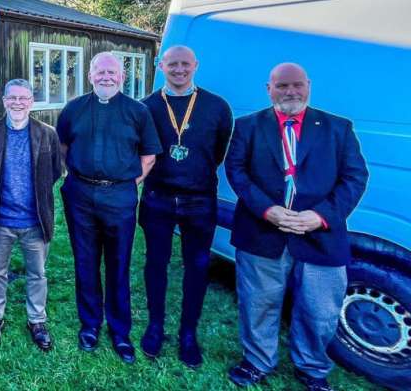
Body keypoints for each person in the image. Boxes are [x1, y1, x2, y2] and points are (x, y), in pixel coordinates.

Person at [225, 63, 368, 391]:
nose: (290, 92)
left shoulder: (337, 128)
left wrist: (321, 216)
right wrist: (266, 209)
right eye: (282, 86)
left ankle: (313, 368)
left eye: (296, 85)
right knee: (258, 304)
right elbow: (237, 172)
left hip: (320, 236)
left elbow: (355, 177)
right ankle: (258, 361)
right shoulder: (248, 126)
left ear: (308, 86)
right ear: (269, 88)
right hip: (263, 233)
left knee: (319, 310)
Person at [56, 52, 162, 364]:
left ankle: (120, 331)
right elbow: (62, 147)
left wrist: (129, 183)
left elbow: (149, 155)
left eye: (112, 72)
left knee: (118, 264)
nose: (106, 77)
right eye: (100, 72)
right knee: (85, 262)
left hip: (120, 198)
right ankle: (90, 325)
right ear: (90, 76)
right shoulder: (74, 108)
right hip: (80, 195)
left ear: (122, 77)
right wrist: (73, 175)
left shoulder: (137, 111)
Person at [138, 45, 233, 367]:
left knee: (198, 265)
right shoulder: (147, 107)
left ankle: (188, 333)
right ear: (161, 65)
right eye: (172, 64)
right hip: (158, 198)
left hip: (199, 199)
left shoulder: (217, 107)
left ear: (195, 65)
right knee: (156, 263)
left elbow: (216, 152)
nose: (179, 70)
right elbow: (141, 150)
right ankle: (155, 325)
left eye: (185, 64)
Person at [0, 79, 63, 351]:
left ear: (31, 102)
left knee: (37, 274)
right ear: (4, 101)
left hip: (35, 220)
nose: (18, 103)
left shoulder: (47, 134)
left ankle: (36, 321)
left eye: (23, 98)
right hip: (1, 219)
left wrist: (34, 198)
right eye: (12, 98)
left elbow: (54, 172)